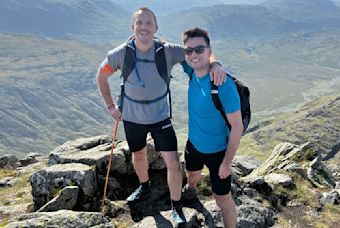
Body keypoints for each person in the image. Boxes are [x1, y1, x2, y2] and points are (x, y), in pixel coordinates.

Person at [95, 7, 226, 224]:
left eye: (148, 23)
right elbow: (101, 76)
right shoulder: (120, 54)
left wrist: (217, 64)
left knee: (173, 162)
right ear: (132, 27)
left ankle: (176, 206)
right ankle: (144, 186)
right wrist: (110, 106)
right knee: (138, 155)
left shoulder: (167, 51)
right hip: (132, 117)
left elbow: (199, 51)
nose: (144, 27)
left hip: (160, 117)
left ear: (156, 28)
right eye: (139, 23)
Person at [181, 27, 243, 228]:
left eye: (199, 49)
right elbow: (161, 45)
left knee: (222, 199)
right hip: (194, 143)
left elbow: (237, 127)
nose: (194, 54)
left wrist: (227, 163)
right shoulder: (191, 70)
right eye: (189, 50)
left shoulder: (222, 84)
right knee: (192, 172)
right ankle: (191, 189)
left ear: (209, 51)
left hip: (218, 152)